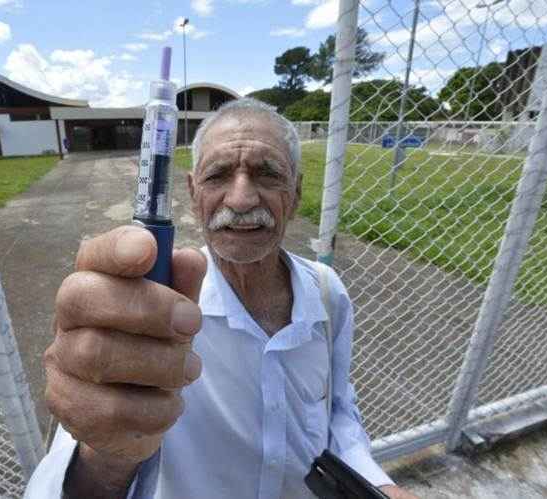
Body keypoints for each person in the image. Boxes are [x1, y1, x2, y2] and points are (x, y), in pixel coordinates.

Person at [25, 98, 417, 499]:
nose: (241, 200)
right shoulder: (154, 309)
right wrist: (106, 455)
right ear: (193, 192)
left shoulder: (325, 290)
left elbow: (338, 411)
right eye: (218, 176)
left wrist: (379, 484)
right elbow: (75, 475)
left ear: (296, 193)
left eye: (267, 174)